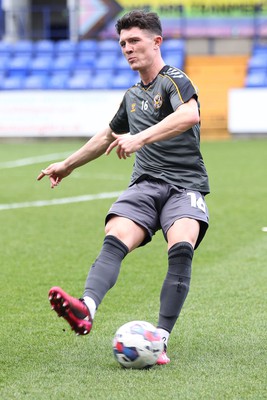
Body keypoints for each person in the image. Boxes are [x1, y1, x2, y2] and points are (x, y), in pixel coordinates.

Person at [37, 9, 210, 365]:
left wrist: (139, 137)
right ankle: (85, 308)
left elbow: (189, 114)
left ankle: (160, 338)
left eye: (134, 41)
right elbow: (107, 136)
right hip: (145, 184)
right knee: (115, 236)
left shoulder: (173, 79)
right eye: (122, 43)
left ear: (156, 41)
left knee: (181, 246)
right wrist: (67, 165)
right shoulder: (132, 95)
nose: (128, 49)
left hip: (184, 186)